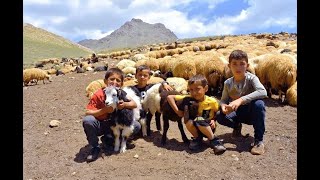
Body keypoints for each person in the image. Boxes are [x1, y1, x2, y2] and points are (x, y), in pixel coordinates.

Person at [82, 67, 141, 162]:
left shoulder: (121, 93)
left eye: (118, 80)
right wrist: (104, 111)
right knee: (88, 120)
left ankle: (111, 139)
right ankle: (95, 148)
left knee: (136, 126)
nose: (114, 82)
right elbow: (87, 112)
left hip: (115, 123)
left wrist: (124, 104)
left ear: (121, 84)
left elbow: (134, 104)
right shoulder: (99, 94)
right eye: (111, 79)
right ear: (105, 81)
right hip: (102, 124)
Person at [216, 49, 268, 155]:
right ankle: (237, 127)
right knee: (219, 114)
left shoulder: (251, 78)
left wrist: (241, 99)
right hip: (237, 112)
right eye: (234, 64)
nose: (238, 67)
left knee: (259, 104)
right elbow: (223, 100)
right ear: (229, 65)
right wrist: (223, 106)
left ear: (247, 65)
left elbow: (263, 91)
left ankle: (258, 141)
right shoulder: (228, 83)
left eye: (242, 64)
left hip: (252, 113)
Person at [167, 74, 226, 154]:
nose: (194, 92)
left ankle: (214, 140)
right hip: (195, 127)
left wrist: (213, 120)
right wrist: (177, 111)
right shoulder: (188, 98)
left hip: (208, 127)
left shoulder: (212, 101)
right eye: (191, 90)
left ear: (205, 89)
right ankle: (197, 139)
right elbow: (170, 97)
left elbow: (217, 112)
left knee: (199, 120)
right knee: (188, 121)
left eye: (197, 89)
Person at [129, 65, 173, 136]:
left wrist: (165, 84)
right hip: (136, 113)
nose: (142, 77)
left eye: (145, 75)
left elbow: (160, 84)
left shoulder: (151, 87)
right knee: (137, 127)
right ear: (136, 76)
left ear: (149, 77)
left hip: (147, 111)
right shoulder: (131, 89)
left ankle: (149, 128)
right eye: (140, 75)